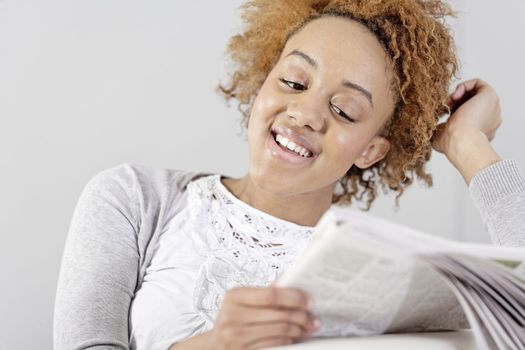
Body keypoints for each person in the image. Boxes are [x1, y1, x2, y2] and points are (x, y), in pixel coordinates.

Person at [53, 1, 525, 350]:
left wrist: (469, 145)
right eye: (294, 82)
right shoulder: (135, 199)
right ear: (263, 82)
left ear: (371, 150)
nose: (304, 114)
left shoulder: (390, 273)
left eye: (344, 109)